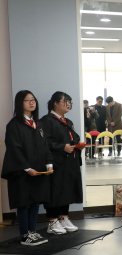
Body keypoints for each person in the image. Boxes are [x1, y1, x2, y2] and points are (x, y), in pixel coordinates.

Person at [1, 90, 53, 246]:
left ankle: (32, 231)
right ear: (20, 103)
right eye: (27, 100)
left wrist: (49, 163)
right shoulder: (14, 125)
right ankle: (24, 235)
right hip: (21, 171)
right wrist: (26, 167)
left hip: (38, 170)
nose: (32, 102)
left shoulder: (39, 124)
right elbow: (14, 149)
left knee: (36, 201)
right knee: (24, 202)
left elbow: (45, 146)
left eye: (33, 100)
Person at [40, 92, 83, 235]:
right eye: (65, 101)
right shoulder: (47, 120)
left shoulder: (67, 122)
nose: (68, 104)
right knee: (55, 190)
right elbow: (45, 142)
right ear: (55, 103)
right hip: (56, 162)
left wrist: (77, 145)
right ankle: (52, 220)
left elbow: (73, 138)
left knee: (67, 189)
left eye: (70, 101)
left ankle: (64, 217)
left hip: (69, 161)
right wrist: (62, 147)